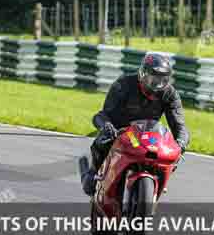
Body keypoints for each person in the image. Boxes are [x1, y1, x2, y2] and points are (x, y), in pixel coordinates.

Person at [80, 52, 190, 196]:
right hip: (120, 132)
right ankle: (93, 173)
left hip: (147, 136)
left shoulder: (170, 94)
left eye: (163, 79)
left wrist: (181, 143)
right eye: (154, 77)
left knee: (173, 155)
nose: (158, 83)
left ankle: (159, 185)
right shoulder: (124, 84)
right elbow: (103, 115)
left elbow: (180, 125)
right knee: (102, 142)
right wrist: (107, 126)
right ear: (143, 74)